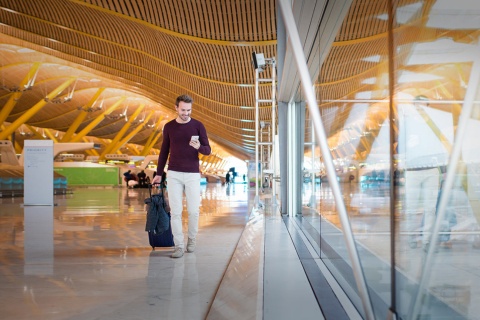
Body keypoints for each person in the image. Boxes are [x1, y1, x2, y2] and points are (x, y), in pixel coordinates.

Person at [152, 94, 211, 258]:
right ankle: (178, 246)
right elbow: (164, 151)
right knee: (176, 212)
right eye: (183, 110)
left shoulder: (198, 125)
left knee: (193, 211)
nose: (186, 113)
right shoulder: (169, 127)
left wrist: (199, 146)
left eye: (189, 110)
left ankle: (191, 240)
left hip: (192, 173)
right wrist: (158, 174)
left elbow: (208, 150)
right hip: (174, 173)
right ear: (176, 108)